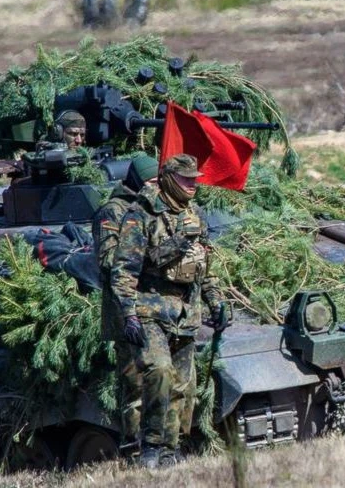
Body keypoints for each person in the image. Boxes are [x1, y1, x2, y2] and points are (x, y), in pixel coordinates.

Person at [110, 154, 229, 468]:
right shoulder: (142, 215)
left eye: (195, 179)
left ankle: (170, 451)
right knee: (159, 372)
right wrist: (129, 314)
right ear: (167, 180)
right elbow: (125, 269)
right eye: (186, 179)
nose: (193, 185)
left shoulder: (195, 215)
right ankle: (149, 445)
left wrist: (215, 301)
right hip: (150, 310)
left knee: (181, 384)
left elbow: (206, 266)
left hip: (186, 313)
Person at [92, 152, 159, 448]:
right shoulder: (113, 211)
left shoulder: (154, 207)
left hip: (156, 309)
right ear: (140, 182)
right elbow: (107, 259)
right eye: (154, 181)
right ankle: (135, 446)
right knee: (135, 384)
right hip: (125, 311)